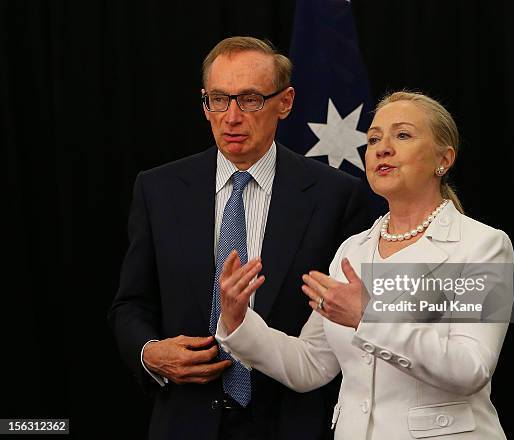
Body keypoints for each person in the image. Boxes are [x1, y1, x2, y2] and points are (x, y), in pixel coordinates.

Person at [107, 36, 372, 440]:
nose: (231, 116)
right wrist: (150, 353)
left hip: (292, 422)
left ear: (285, 102)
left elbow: (348, 321)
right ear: (204, 103)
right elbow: (130, 304)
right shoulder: (158, 189)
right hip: (185, 420)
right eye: (218, 99)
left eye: (250, 99)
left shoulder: (336, 195)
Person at [216, 91, 514, 439]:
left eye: (402, 135)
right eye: (373, 138)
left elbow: (471, 369)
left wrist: (369, 317)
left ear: (443, 159)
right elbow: (311, 363)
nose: (382, 148)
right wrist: (238, 320)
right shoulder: (353, 249)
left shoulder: (482, 245)